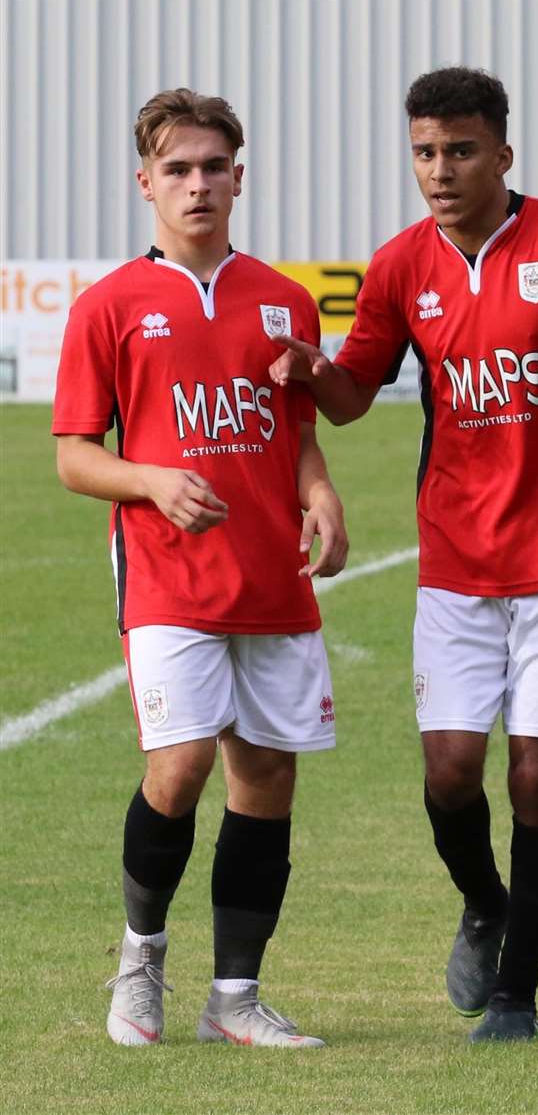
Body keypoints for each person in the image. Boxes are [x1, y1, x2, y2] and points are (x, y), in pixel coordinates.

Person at [270, 66, 538, 1042]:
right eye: (423, 153)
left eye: (459, 151)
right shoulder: (403, 264)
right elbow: (355, 392)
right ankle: (485, 904)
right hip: (455, 559)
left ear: (502, 153)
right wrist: (306, 368)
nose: (439, 171)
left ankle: (517, 992)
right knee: (450, 772)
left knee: (537, 776)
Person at [52, 89, 347, 1047]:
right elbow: (73, 454)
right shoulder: (110, 307)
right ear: (146, 185)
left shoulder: (284, 299)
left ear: (239, 178)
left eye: (214, 167)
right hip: (168, 575)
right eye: (177, 170)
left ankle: (236, 999)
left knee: (265, 779)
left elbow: (293, 431)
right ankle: (140, 960)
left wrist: (322, 494)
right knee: (177, 769)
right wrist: (148, 481)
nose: (197, 185)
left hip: (273, 580)